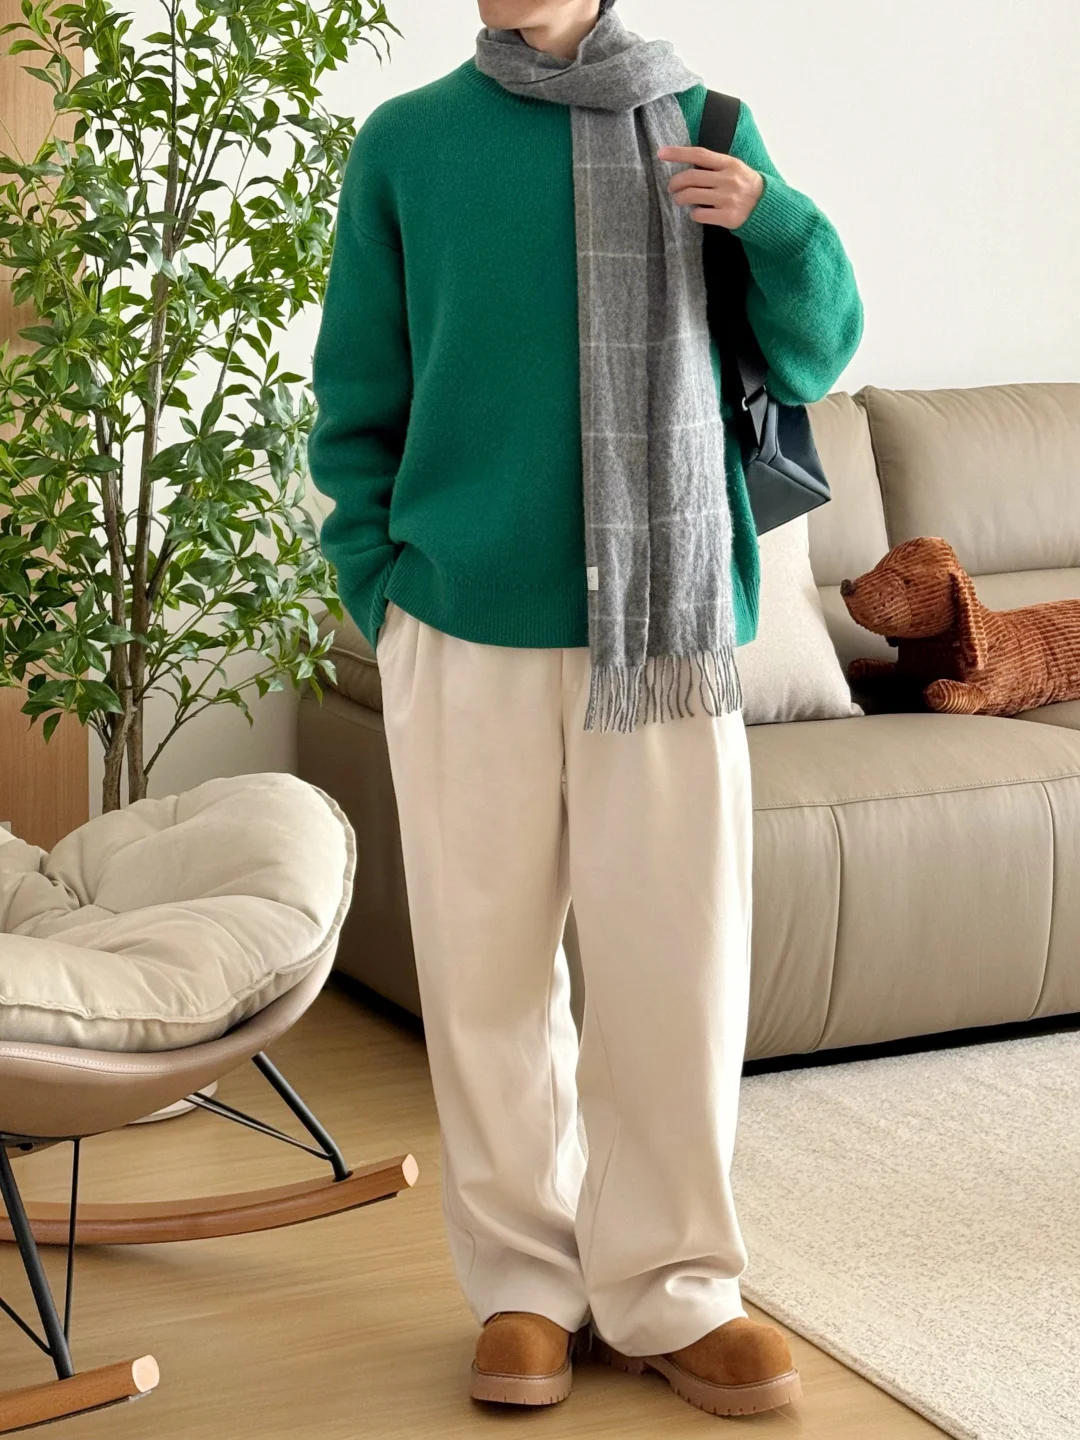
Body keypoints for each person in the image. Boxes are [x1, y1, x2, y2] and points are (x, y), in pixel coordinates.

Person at [308, 0, 863, 1419]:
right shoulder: (408, 144)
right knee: (487, 981)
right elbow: (357, 396)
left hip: (668, 632)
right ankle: (523, 1287)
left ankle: (674, 1288)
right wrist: (385, 590)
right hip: (461, 629)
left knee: (676, 972)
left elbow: (815, 352)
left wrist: (774, 222)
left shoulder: (708, 124)